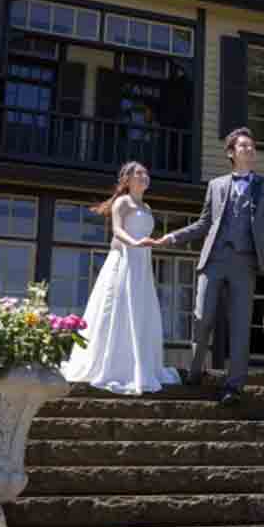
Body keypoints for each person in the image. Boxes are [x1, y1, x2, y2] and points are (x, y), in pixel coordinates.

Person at [147, 127, 264, 405]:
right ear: (231, 153)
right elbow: (204, 223)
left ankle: (234, 386)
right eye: (243, 146)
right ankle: (195, 371)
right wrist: (173, 236)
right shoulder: (216, 185)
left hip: (245, 263)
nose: (249, 149)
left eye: (251, 146)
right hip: (214, 261)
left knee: (241, 324)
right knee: (203, 317)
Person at [60, 162, 181, 395]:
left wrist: (153, 242)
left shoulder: (146, 206)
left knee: (139, 309)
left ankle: (140, 365)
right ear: (127, 179)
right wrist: (134, 243)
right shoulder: (122, 202)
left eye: (146, 173)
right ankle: (114, 365)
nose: (144, 176)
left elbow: (144, 233)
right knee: (117, 306)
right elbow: (117, 230)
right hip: (124, 258)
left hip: (142, 263)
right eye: (139, 173)